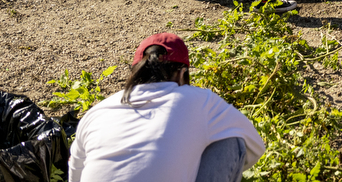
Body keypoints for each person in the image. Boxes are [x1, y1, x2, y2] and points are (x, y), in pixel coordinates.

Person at [69, 32, 264, 182]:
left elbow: (75, 175)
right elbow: (254, 146)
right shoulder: (200, 100)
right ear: (182, 73)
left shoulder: (98, 111)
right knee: (231, 140)